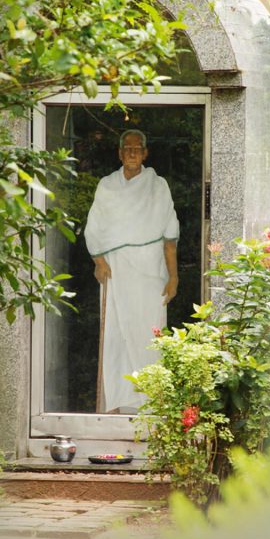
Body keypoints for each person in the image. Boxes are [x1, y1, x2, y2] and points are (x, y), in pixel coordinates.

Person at [85, 129, 179, 413]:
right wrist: (99, 260)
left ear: (146, 153)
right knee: (116, 334)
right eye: (127, 149)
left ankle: (151, 406)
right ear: (119, 153)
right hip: (116, 269)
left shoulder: (158, 185)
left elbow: (170, 235)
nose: (132, 154)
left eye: (137, 149)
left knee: (148, 334)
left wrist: (174, 276)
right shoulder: (107, 185)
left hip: (151, 270)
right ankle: (115, 404)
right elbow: (94, 226)